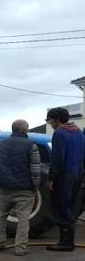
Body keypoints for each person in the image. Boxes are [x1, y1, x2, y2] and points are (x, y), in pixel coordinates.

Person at [0, 119, 41, 256]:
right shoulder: (31, 145)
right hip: (24, 189)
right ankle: (20, 248)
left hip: (3, 188)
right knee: (23, 218)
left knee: (1, 215)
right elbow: (35, 169)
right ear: (24, 130)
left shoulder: (0, 144)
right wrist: (35, 187)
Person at [45, 107, 84, 251]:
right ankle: (68, 241)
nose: (49, 123)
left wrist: (51, 178)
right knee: (71, 206)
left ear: (56, 119)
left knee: (61, 206)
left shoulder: (60, 134)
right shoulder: (78, 132)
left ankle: (65, 243)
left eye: (49, 120)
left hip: (64, 175)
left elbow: (58, 159)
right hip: (78, 174)